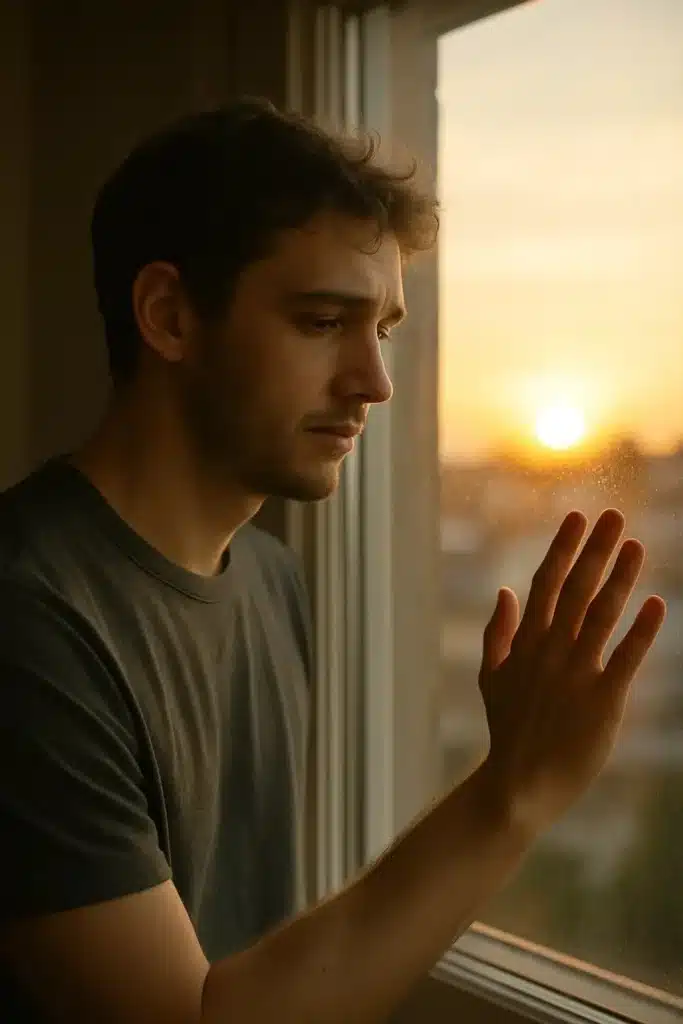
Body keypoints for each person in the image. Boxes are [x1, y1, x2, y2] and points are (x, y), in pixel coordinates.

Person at [0, 97, 665, 1023]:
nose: (373, 383)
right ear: (168, 316)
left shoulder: (270, 582)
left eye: (381, 330)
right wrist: (512, 790)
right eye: (321, 322)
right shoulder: (28, 616)